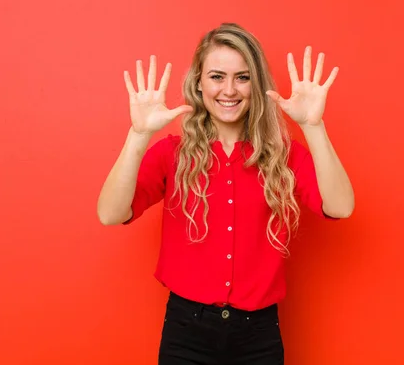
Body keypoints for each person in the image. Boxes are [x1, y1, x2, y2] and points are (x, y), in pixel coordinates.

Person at [97, 23, 354, 365]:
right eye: (217, 76)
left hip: (258, 335)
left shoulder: (284, 156)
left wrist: (313, 126)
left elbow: (341, 206)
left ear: (256, 84)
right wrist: (138, 135)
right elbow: (110, 213)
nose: (229, 90)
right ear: (199, 83)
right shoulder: (172, 153)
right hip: (186, 332)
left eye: (242, 77)